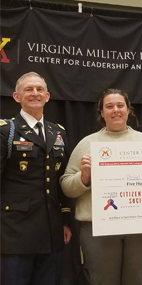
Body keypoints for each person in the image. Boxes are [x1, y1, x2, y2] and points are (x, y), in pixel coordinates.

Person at [60, 89, 142, 285]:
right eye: (109, 106)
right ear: (101, 113)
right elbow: (66, 186)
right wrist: (84, 177)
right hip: (98, 227)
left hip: (140, 227)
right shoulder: (87, 143)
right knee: (103, 281)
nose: (115, 110)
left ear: (128, 110)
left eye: (120, 105)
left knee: (138, 280)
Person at [0, 72, 72, 285]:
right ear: (16, 96)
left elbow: (61, 179)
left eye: (40, 89)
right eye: (28, 90)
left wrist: (65, 220)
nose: (35, 93)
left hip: (51, 231)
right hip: (14, 231)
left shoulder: (57, 132)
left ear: (48, 96)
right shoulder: (6, 131)